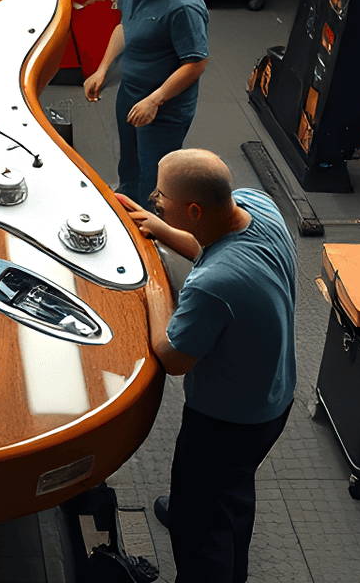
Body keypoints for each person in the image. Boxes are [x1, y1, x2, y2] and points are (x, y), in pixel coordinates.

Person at [118, 149, 296, 583]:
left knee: (204, 527)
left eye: (161, 197)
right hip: (273, 396)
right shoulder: (257, 206)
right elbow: (208, 241)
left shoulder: (213, 285)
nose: (154, 199)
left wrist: (154, 294)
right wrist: (161, 229)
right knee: (230, 489)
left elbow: (174, 357)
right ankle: (191, 509)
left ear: (194, 209)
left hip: (228, 422)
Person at [84, 0, 210, 202]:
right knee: (129, 166)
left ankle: (149, 230)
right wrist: (103, 69)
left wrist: (154, 101)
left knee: (154, 180)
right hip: (131, 92)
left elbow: (195, 63)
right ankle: (127, 202)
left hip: (165, 108)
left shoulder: (183, 7)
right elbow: (124, 27)